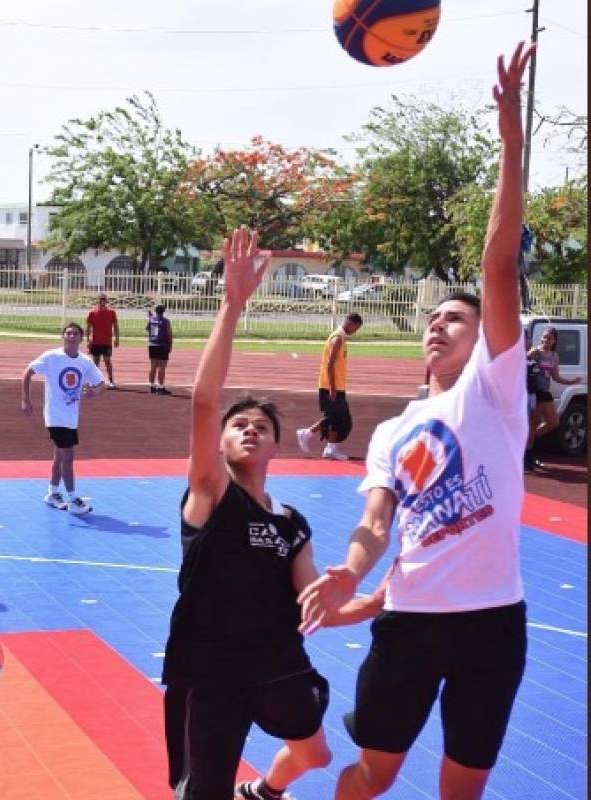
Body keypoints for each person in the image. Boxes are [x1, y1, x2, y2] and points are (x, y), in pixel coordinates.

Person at [297, 43, 538, 800]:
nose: (439, 325)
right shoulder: (393, 431)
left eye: (456, 318)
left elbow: (498, 265)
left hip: (493, 626)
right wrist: (353, 570)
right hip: (407, 624)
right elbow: (377, 523)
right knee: (371, 773)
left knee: (460, 790)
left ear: (487, 336)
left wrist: (510, 141)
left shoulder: (494, 392)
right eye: (432, 318)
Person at [163, 228, 371, 800]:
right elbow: (205, 401)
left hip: (277, 659)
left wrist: (380, 601)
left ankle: (265, 790)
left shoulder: (292, 522)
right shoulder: (210, 494)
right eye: (240, 425)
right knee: (204, 789)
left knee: (317, 753)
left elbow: (317, 608)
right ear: (222, 444)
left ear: (277, 446)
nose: (251, 428)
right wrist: (232, 306)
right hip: (214, 667)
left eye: (263, 426)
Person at [20, 322, 106, 515]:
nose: (72, 336)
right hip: (54, 416)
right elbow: (28, 372)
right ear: (63, 336)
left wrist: (95, 392)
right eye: (68, 333)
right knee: (68, 456)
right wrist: (26, 399)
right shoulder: (52, 357)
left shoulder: (85, 361)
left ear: (81, 338)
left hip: (71, 417)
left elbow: (102, 383)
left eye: (76, 333)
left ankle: (52, 492)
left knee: (59, 455)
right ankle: (73, 498)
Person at [296, 313, 363, 461]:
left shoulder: (341, 338)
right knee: (340, 418)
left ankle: (330, 449)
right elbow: (330, 364)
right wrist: (332, 387)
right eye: (356, 328)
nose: (355, 331)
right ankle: (307, 433)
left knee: (338, 419)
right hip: (331, 386)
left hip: (337, 386)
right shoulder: (337, 338)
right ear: (350, 323)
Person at [524, 325, 583, 471]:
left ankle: (527, 444)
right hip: (534, 392)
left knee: (554, 422)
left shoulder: (554, 356)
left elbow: (555, 377)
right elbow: (522, 366)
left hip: (545, 392)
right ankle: (528, 457)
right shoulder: (535, 352)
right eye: (544, 337)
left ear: (554, 340)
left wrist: (571, 382)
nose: (546, 340)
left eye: (549, 338)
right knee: (533, 423)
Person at [85, 293, 120, 389]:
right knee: (95, 362)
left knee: (107, 361)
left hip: (107, 342)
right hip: (95, 342)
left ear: (106, 300)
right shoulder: (92, 313)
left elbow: (116, 326)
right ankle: (96, 381)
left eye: (104, 299)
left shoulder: (111, 312)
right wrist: (88, 340)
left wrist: (117, 339)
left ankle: (111, 381)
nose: (102, 301)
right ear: (98, 300)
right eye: (101, 299)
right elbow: (88, 328)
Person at [147, 304, 174, 395]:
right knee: (162, 366)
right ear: (163, 311)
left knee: (153, 365)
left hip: (152, 344)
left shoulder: (151, 319)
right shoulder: (166, 321)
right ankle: (161, 387)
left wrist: (150, 317)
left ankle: (152, 386)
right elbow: (169, 334)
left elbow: (147, 329)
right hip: (162, 345)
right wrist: (170, 345)